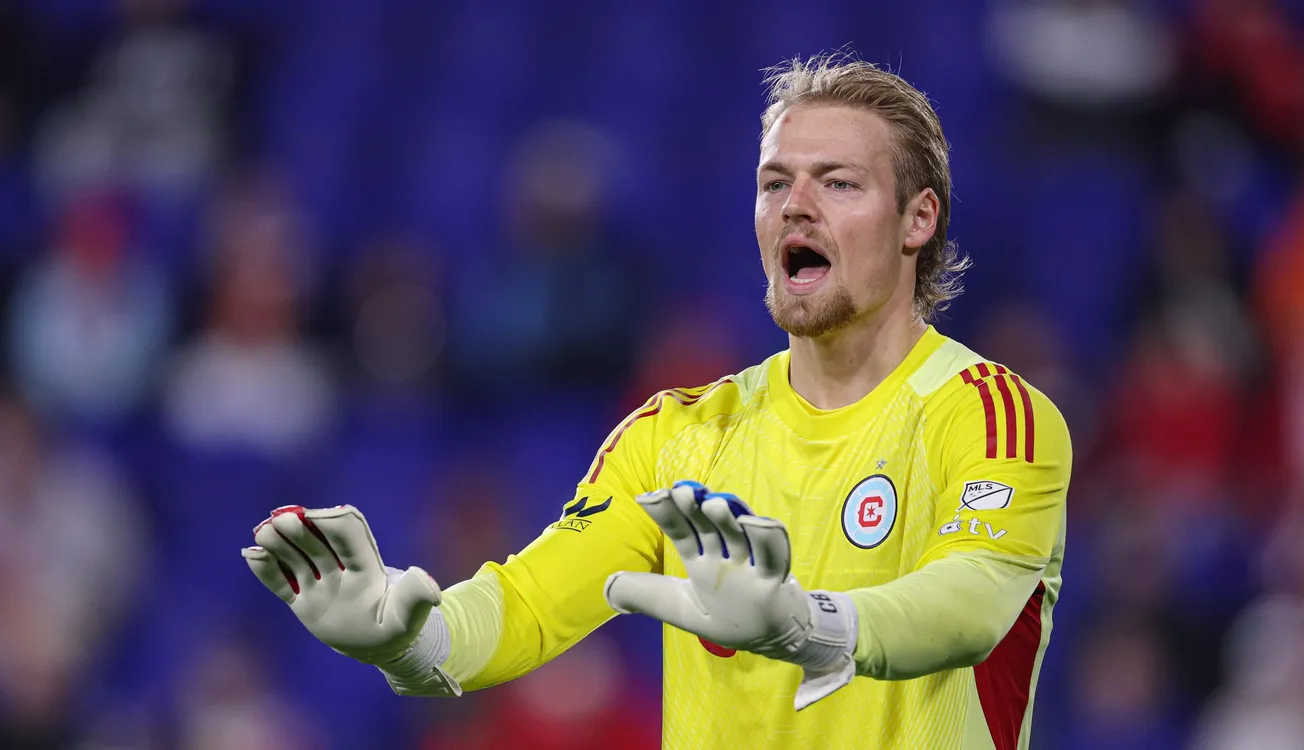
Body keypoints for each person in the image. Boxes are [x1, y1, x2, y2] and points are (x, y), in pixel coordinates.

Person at [242, 52, 1071, 750]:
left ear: (917, 219)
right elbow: (529, 602)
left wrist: (808, 625)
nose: (796, 205)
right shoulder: (678, 436)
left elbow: (971, 605)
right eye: (775, 181)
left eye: (839, 182)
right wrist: (410, 640)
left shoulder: (991, 415)